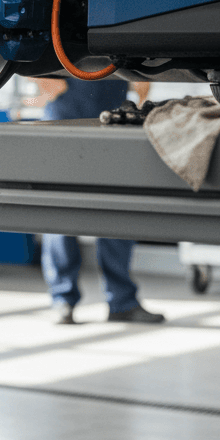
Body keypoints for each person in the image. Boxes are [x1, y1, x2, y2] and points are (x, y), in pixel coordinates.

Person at [34, 77, 166, 326]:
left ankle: (122, 301)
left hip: (112, 108)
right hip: (66, 107)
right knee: (61, 206)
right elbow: (21, 45)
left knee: (117, 204)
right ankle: (62, 299)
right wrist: (40, 79)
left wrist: (141, 75)